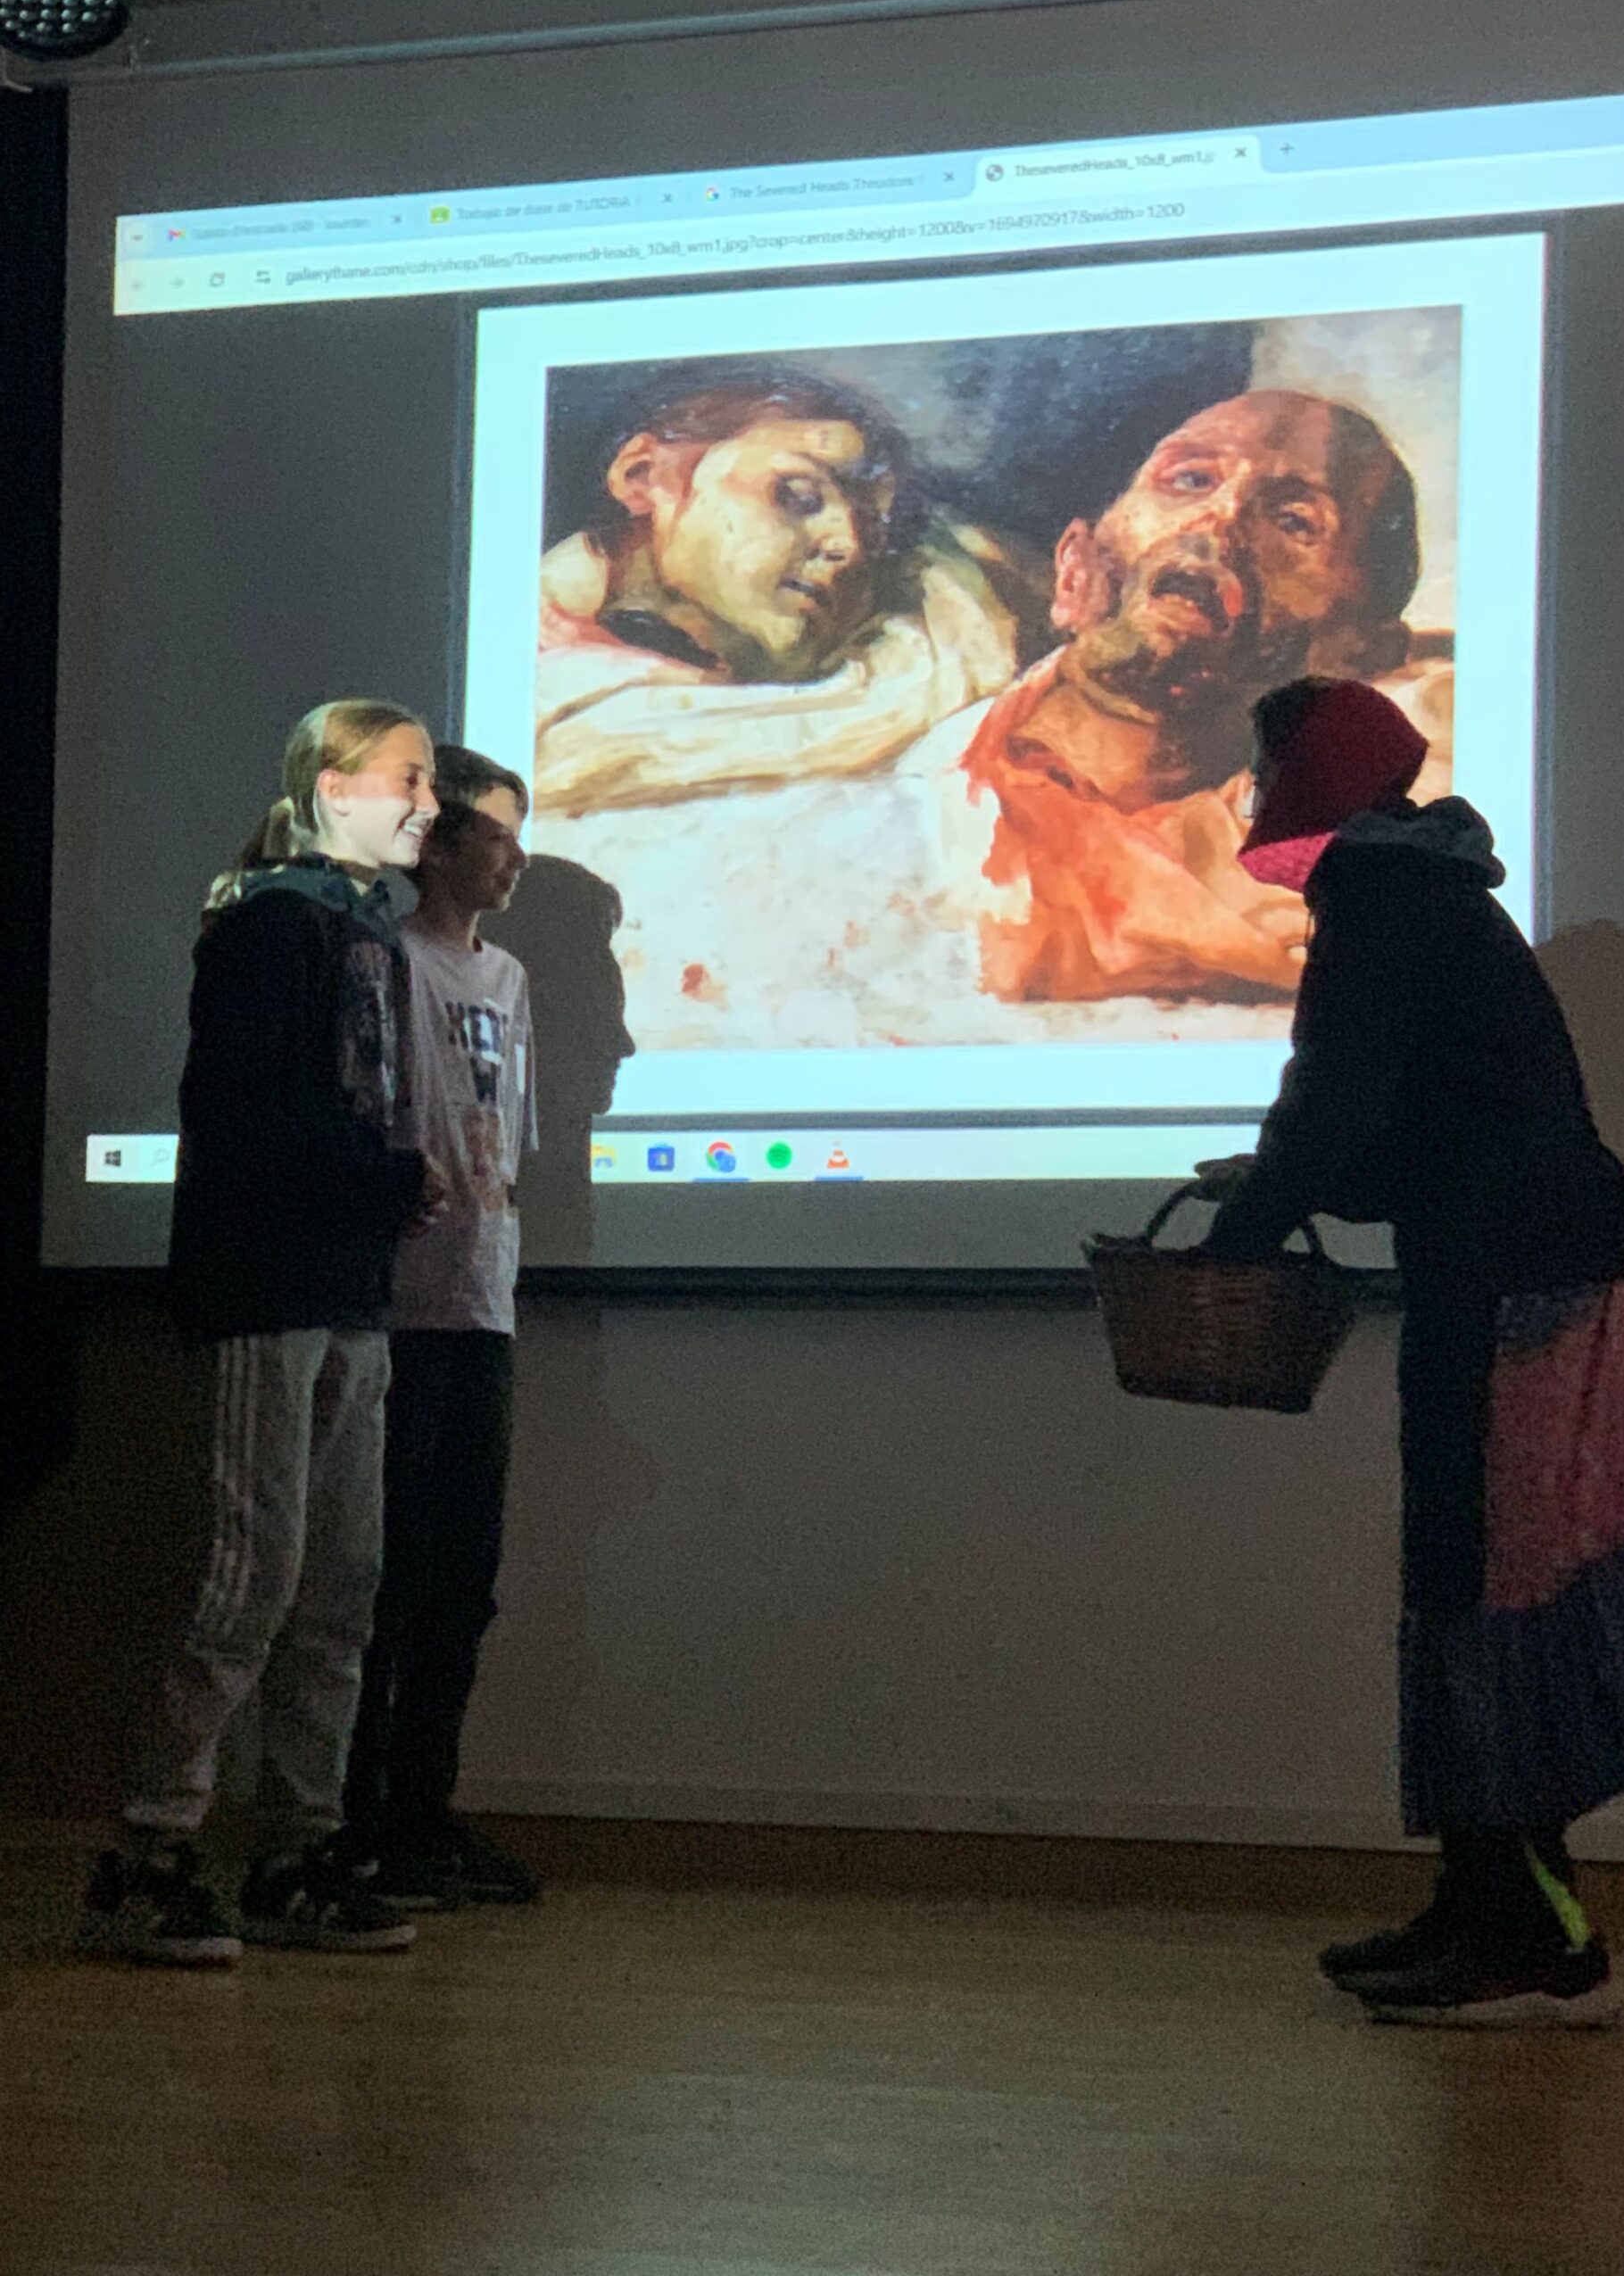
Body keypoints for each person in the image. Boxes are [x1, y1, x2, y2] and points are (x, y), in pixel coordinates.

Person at [1198, 676, 1624, 2026]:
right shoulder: (1422, 890)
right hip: (1524, 1267)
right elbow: (1415, 1133)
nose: (1251, 790)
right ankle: (1484, 1898)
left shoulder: (1385, 899)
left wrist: (1241, 1233)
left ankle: (1533, 1936)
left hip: (1520, 1290)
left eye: (1264, 762)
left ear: (1313, 774)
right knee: (1466, 1576)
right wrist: (1279, 1190)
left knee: (1489, 1584)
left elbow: (1333, 1104)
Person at [79, 699, 445, 1966]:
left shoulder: (368, 934)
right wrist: (384, 1180)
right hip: (265, 1290)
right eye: (408, 778)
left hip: (351, 1293)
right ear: (333, 785)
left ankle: (298, 1849)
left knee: (341, 1585)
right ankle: (147, 1854)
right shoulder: (269, 926)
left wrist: (394, 1189)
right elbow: (241, 1120)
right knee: (251, 1579)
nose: (429, 805)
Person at [927, 391, 1453, 1006]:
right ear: (1073, 570)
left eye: (1294, 521)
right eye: (1190, 479)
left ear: (1361, 655)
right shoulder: (901, 812)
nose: (1219, 519)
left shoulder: (1389, 840)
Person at [343, 748, 546, 1906]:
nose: (517, 858)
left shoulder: (507, 978)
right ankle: (356, 1820)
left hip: (483, 1299)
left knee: (464, 1579)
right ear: (441, 843)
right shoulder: (387, 958)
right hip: (397, 1306)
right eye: (500, 836)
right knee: (387, 1575)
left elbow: (507, 1136)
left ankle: (424, 1814)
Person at [534, 371, 1038, 816]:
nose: (850, 547)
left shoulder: (923, 679)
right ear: (644, 475)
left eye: (873, 531)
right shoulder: (535, 676)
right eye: (798, 496)